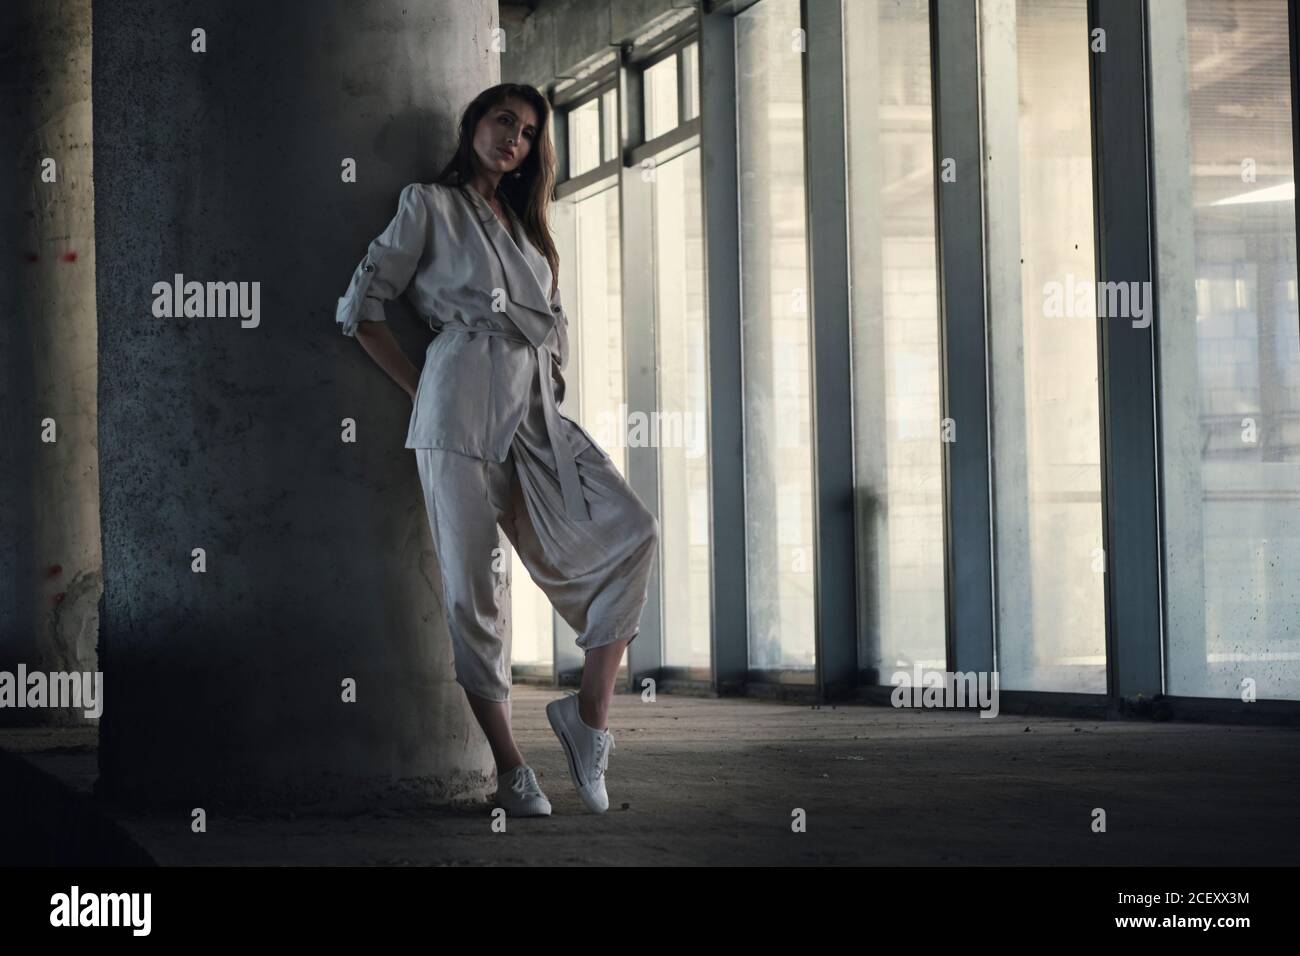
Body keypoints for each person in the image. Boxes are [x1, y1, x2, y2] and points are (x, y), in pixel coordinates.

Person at [334, 83, 659, 817]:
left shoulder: (527, 229)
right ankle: (512, 770)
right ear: (473, 125)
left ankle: (588, 717)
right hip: (459, 405)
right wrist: (425, 390)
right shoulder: (430, 205)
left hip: (538, 412)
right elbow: (361, 308)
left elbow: (554, 327)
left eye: (527, 131)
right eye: (502, 121)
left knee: (632, 532)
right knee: (476, 596)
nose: (514, 137)